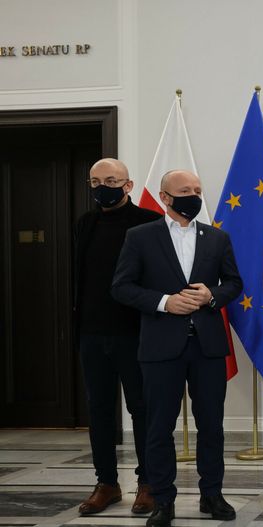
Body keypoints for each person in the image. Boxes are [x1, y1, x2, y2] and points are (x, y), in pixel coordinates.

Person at [112, 169, 243, 527]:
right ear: (165, 197)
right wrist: (164, 302)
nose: (194, 195)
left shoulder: (217, 237)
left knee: (212, 427)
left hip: (208, 347)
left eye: (198, 190)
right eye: (185, 190)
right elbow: (121, 287)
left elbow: (234, 283)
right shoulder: (139, 236)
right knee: (158, 428)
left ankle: (212, 495)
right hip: (159, 347)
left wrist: (212, 295)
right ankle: (163, 500)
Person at [74, 158, 160, 516]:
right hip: (93, 332)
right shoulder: (86, 223)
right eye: (95, 182)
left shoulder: (149, 222)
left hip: (136, 333)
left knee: (142, 409)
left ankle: (149, 482)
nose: (101, 188)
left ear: (127, 185)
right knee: (99, 410)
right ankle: (106, 482)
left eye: (110, 180)